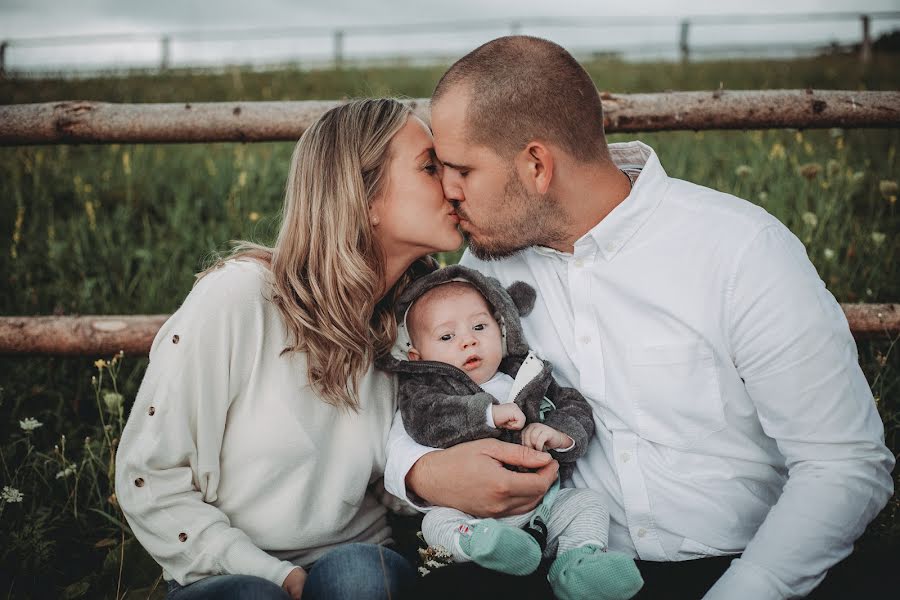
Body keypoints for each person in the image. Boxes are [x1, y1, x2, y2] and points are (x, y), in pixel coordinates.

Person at [383, 36, 895, 599]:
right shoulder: (488, 265)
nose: (447, 192)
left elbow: (843, 464)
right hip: (574, 564)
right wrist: (422, 474)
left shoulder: (741, 250)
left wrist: (752, 588)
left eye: (461, 170)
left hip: (748, 566)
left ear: (536, 165)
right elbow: (431, 388)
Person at [115, 98, 464, 600]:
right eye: (429, 168)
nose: (452, 186)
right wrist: (277, 576)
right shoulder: (239, 299)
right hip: (225, 569)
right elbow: (150, 475)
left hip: (358, 560)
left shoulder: (420, 319)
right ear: (365, 198)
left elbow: (401, 484)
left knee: (363, 578)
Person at [377, 264, 643, 599]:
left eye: (479, 326)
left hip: (543, 507)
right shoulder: (426, 394)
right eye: (447, 336)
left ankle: (577, 564)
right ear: (418, 356)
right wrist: (485, 414)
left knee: (588, 504)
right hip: (468, 514)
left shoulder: (528, 375)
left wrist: (560, 435)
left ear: (501, 331)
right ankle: (481, 543)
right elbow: (424, 421)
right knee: (434, 527)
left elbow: (573, 406)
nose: (468, 340)